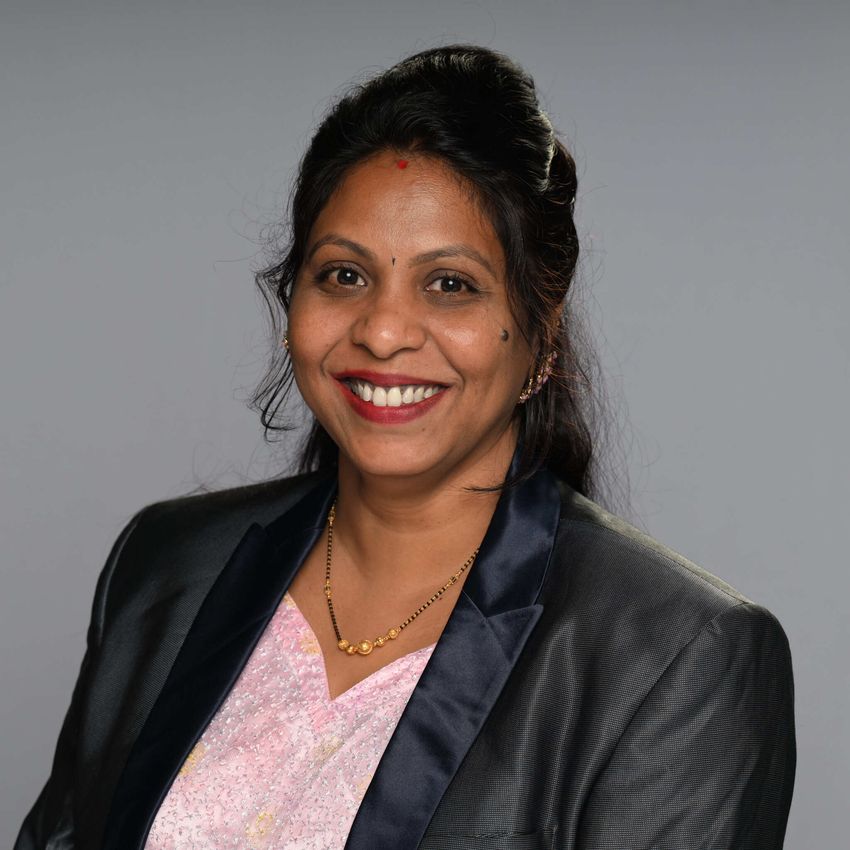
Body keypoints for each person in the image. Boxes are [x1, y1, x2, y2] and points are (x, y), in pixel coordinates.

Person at [15, 44, 795, 850]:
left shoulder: (677, 662)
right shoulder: (167, 568)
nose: (382, 331)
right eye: (343, 275)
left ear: (541, 329)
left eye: (449, 284)